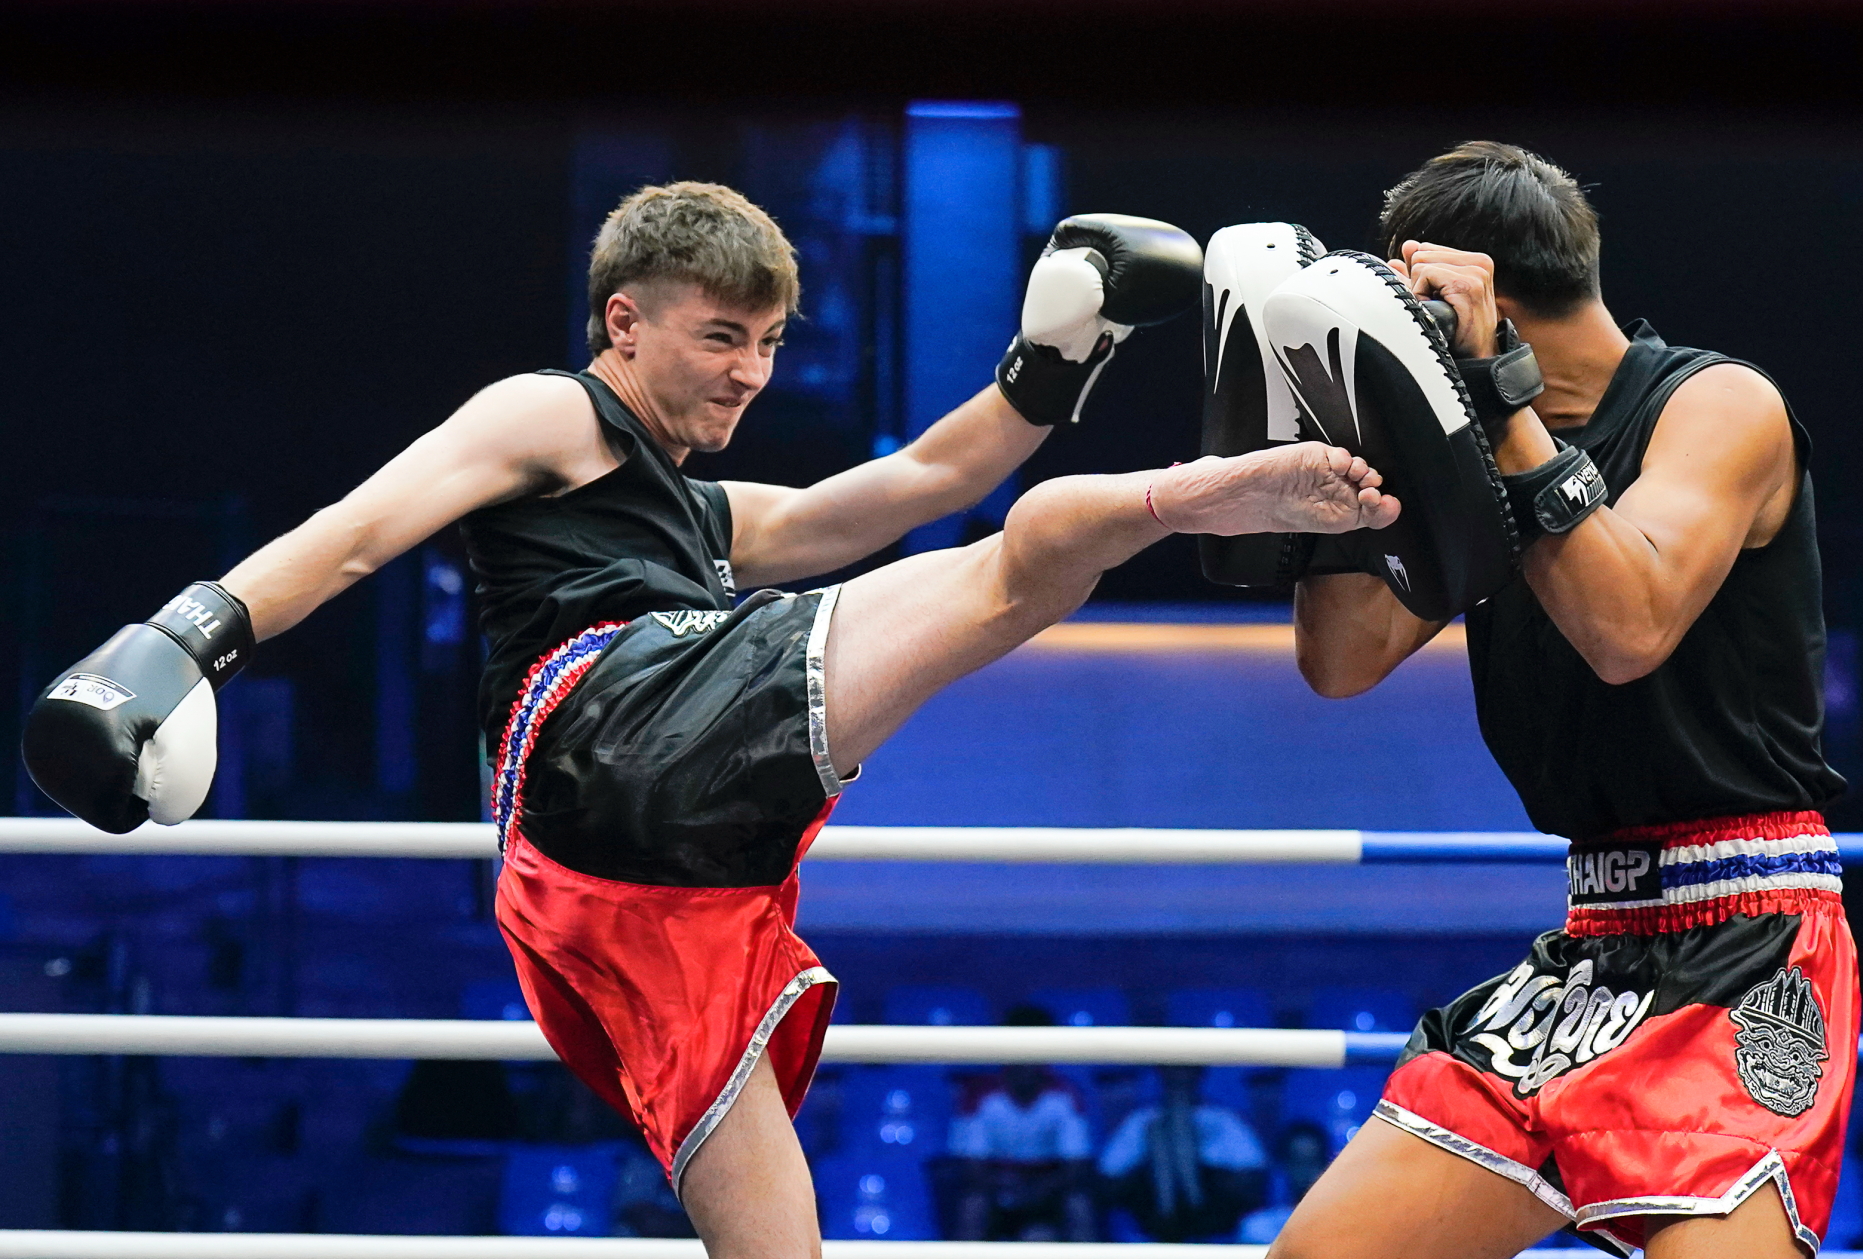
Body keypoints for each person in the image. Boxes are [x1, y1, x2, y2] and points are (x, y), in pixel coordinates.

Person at [23, 181, 1398, 1258]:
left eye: (767, 344)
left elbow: (919, 473)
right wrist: (177, 645)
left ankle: (1170, 483)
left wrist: (1058, 354)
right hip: (620, 723)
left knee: (765, 1217)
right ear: (624, 319)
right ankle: (1207, 491)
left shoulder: (708, 517)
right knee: (1021, 565)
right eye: (718, 336)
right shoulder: (547, 415)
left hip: (631, 881)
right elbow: (357, 529)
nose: (748, 372)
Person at [1270, 143, 1854, 1259]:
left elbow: (1625, 627)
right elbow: (1342, 659)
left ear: (1478, 299)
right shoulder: (1476, 451)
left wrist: (1494, 395)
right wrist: (1344, 449)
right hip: (1588, 950)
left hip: (1751, 934)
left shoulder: (1718, 402)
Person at [946, 1006, 1096, 1241]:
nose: (1027, 1060)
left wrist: (1040, 1189)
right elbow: (971, 1168)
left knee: (1079, 1205)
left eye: (1035, 1050)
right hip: (995, 1192)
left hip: (1048, 1193)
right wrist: (1006, 1187)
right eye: (1020, 1048)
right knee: (972, 1205)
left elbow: (1076, 1167)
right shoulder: (978, 1096)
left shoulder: (1066, 1096)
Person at [1098, 1064, 1267, 1241]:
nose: (1179, 1075)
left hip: (1215, 1226)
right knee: (1161, 1142)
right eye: (1172, 1068)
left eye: (1186, 1068)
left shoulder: (1224, 1120)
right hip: (1151, 1225)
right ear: (1160, 1072)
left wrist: (1197, 1165)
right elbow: (1108, 1183)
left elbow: (1253, 1184)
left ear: (1199, 1072)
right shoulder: (1140, 1121)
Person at [1237, 1120, 1327, 1245]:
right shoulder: (1257, 1227)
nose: (1305, 1172)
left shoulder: (1336, 1226)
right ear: (1284, 1165)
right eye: (1298, 1162)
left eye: (1311, 1162)